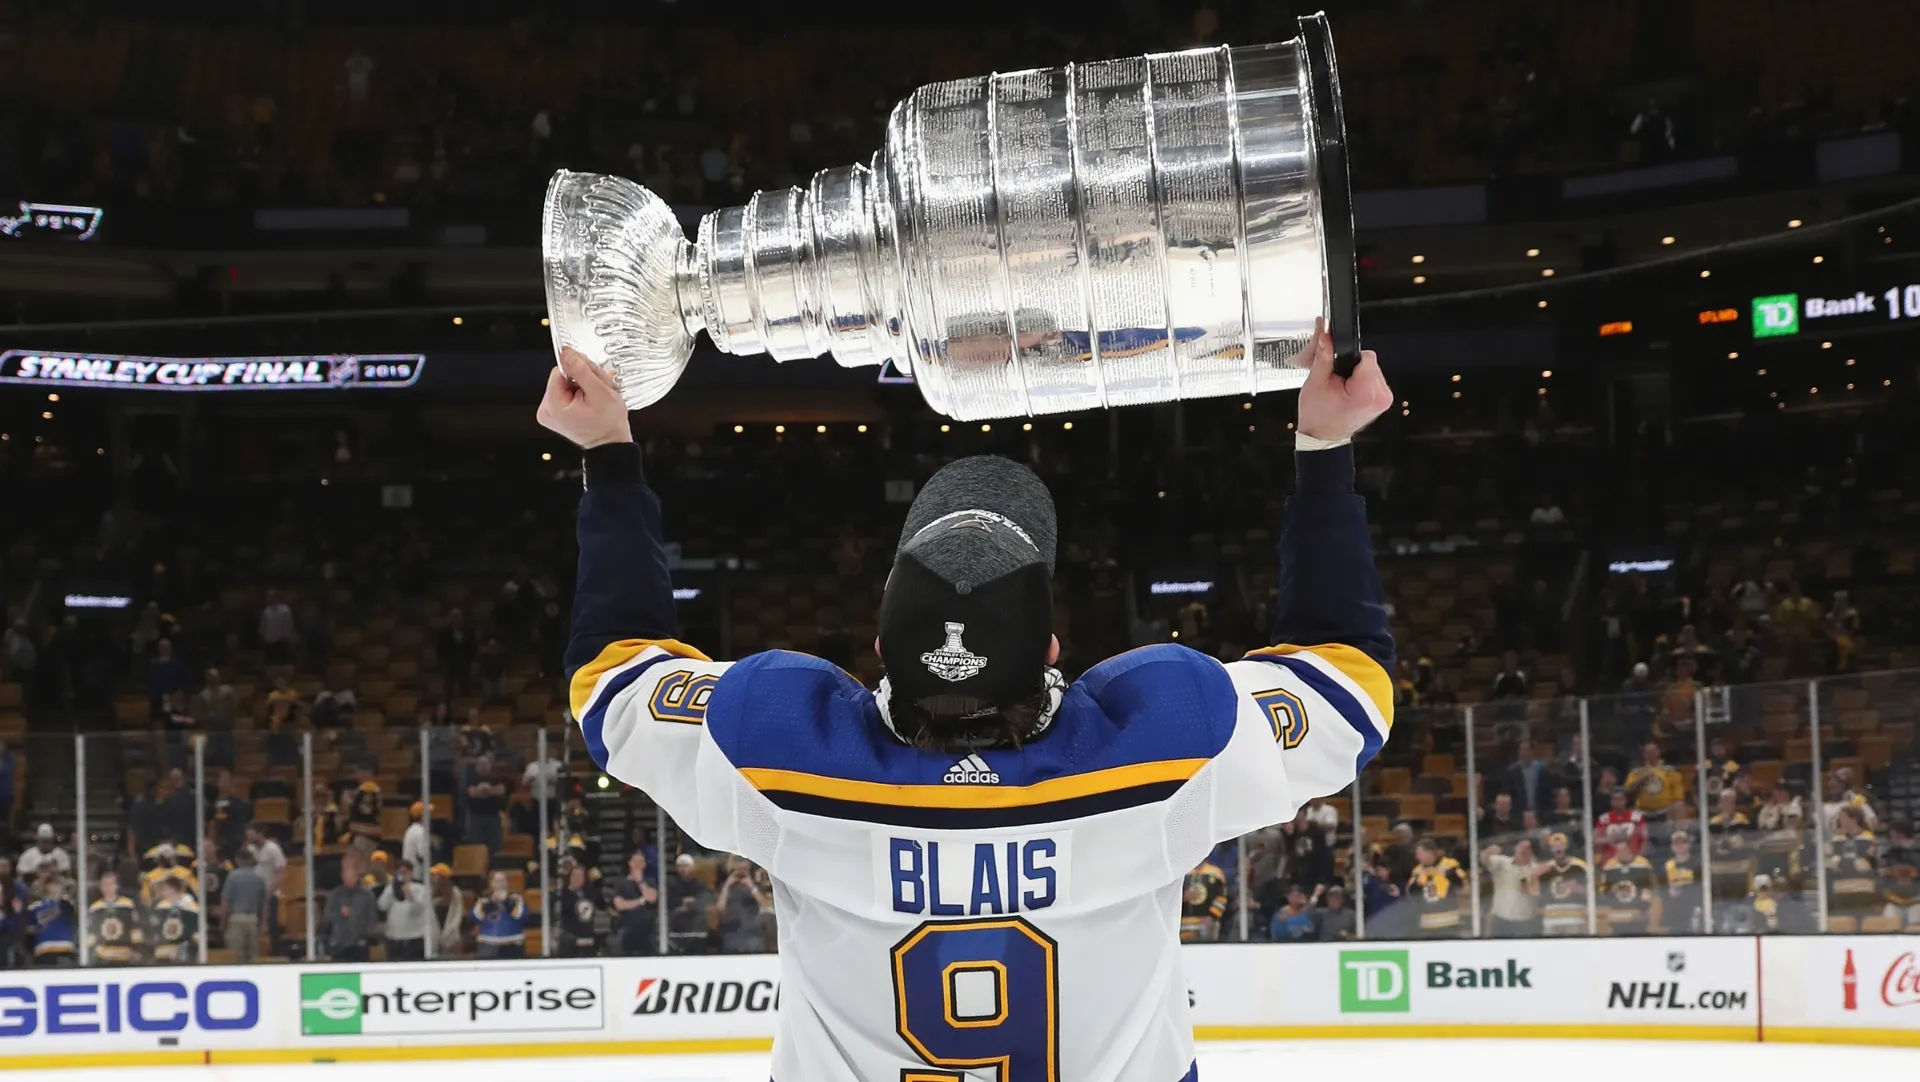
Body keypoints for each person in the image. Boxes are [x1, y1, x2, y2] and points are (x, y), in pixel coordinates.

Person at [541, 324, 1395, 1082]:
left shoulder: (774, 748)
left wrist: (609, 454)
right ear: (1052, 650)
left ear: (881, 651)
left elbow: (613, 678)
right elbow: (1349, 681)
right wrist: (1325, 448)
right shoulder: (1172, 743)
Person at [1406, 837, 1467, 937]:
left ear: (1429, 853)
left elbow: (1463, 883)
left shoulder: (1449, 865)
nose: (1416, 857)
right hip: (1427, 925)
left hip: (1449, 924)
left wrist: (1448, 874)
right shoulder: (1417, 871)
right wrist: (1417, 884)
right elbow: (1410, 893)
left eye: (1419, 853)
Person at [320, 855, 375, 961]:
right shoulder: (334, 895)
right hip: (338, 945)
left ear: (357, 875)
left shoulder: (366, 896)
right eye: (346, 873)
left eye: (351, 873)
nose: (348, 877)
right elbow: (327, 918)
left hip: (359, 946)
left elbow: (371, 919)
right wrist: (339, 913)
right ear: (342, 875)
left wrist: (364, 938)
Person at [1482, 838, 1539, 937]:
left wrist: (1529, 889)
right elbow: (1484, 860)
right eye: (1521, 847)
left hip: (1524, 923)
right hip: (1500, 921)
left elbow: (1537, 893)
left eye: (1527, 848)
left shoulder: (1535, 869)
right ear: (1515, 848)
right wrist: (1488, 852)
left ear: (1531, 852)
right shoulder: (1502, 863)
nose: (1523, 850)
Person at [1536, 832, 1591, 936]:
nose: (1558, 849)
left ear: (1566, 846)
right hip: (1551, 919)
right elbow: (1536, 893)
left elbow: (1595, 893)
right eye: (1555, 846)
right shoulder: (1546, 868)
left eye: (1560, 845)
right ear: (1551, 849)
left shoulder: (1580, 866)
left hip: (1574, 918)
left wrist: (1579, 888)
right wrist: (1534, 876)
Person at [221, 848, 268, 964]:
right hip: (253, 919)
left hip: (236, 919)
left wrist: (222, 922)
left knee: (236, 956)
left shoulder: (232, 877)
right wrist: (264, 923)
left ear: (237, 860)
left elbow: (226, 901)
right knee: (254, 956)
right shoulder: (258, 878)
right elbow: (264, 904)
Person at [378, 860, 432, 961]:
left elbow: (420, 908)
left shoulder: (421, 889)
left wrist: (410, 894)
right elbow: (381, 906)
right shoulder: (390, 888)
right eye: (400, 872)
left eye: (405, 872)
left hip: (414, 938)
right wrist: (392, 890)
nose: (402, 875)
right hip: (394, 938)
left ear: (411, 873)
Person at [611, 850, 660, 956]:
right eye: (636, 861)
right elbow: (620, 905)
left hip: (647, 930)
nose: (639, 864)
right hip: (627, 928)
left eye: (641, 861)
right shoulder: (621, 882)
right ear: (630, 863)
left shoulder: (650, 881)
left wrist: (640, 881)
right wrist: (641, 901)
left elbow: (652, 898)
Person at [716, 857, 770, 953]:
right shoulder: (726, 887)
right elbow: (719, 908)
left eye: (744, 869)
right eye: (738, 869)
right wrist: (727, 885)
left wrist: (752, 887)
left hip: (752, 932)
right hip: (731, 931)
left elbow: (766, 905)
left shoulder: (756, 886)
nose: (741, 872)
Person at [472, 870, 528, 959]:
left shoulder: (516, 900)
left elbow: (522, 916)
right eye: (497, 881)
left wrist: (507, 902)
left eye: (503, 881)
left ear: (507, 883)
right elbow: (475, 918)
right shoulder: (483, 902)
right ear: (491, 883)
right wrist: (489, 904)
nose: (500, 884)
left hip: (512, 944)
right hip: (488, 944)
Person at [88, 871, 141, 966]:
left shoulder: (127, 904)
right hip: (103, 958)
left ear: (116, 886)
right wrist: (92, 952)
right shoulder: (95, 908)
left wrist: (137, 950)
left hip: (125, 956)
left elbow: (135, 928)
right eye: (104, 884)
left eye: (110, 884)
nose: (107, 887)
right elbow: (91, 932)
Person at [555, 861, 604, 957]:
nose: (577, 879)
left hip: (588, 936)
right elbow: (557, 913)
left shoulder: (590, 891)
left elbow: (602, 905)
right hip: (570, 938)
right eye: (575, 876)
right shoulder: (562, 894)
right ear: (570, 877)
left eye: (580, 876)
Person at [149, 875, 200, 964]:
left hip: (185, 954)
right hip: (163, 954)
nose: (163, 892)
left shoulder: (192, 908)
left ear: (173, 888)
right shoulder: (160, 907)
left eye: (165, 889)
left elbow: (196, 933)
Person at [26, 877, 76, 966]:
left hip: (65, 949)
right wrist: (37, 928)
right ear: (46, 887)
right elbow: (27, 928)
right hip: (43, 950)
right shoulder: (35, 907)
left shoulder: (66, 904)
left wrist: (59, 898)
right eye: (53, 884)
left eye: (57, 884)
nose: (55, 887)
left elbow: (70, 912)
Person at [1662, 829, 1703, 934]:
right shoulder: (1668, 865)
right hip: (1674, 910)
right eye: (1676, 843)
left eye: (1683, 842)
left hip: (1692, 909)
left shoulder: (1697, 864)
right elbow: (1662, 888)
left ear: (1689, 844)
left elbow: (1701, 886)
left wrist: (1699, 905)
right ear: (1672, 846)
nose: (1679, 846)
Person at [402, 801, 433, 882]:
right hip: (417, 876)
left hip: (409, 873)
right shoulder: (420, 832)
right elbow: (422, 855)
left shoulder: (410, 830)